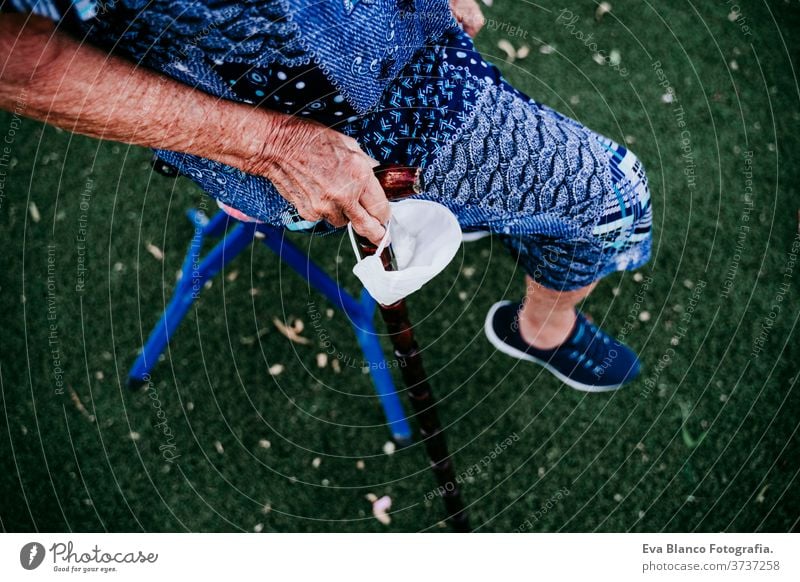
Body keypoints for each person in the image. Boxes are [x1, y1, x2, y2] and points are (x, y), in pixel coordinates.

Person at [0, 0, 652, 392]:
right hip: (299, 107)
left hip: (396, 43)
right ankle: (540, 331)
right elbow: (17, 59)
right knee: (613, 201)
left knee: (489, 172)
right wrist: (267, 145)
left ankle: (460, 208)